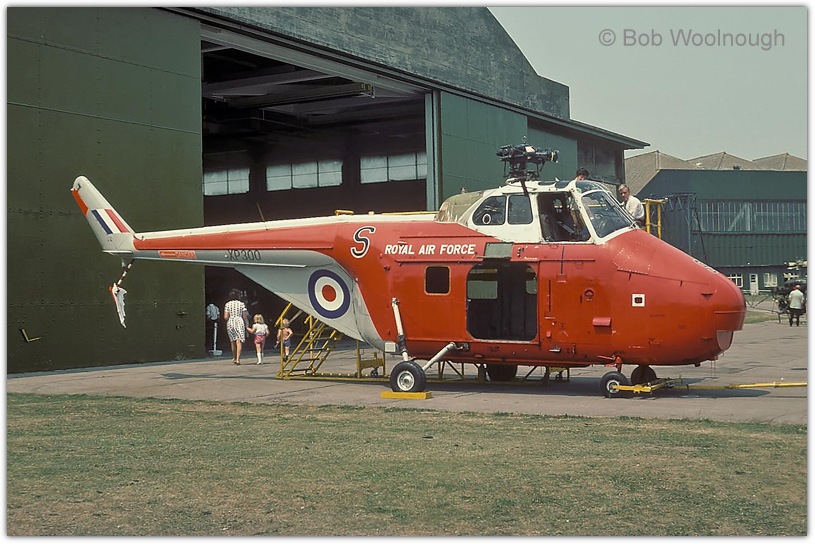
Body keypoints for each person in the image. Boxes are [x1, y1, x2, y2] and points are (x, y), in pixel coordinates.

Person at [223, 289, 249, 365]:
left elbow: (225, 317)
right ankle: (238, 359)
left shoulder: (227, 304)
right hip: (239, 321)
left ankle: (234, 357)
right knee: (239, 341)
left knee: (232, 341)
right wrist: (247, 324)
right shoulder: (241, 304)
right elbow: (244, 316)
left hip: (231, 322)